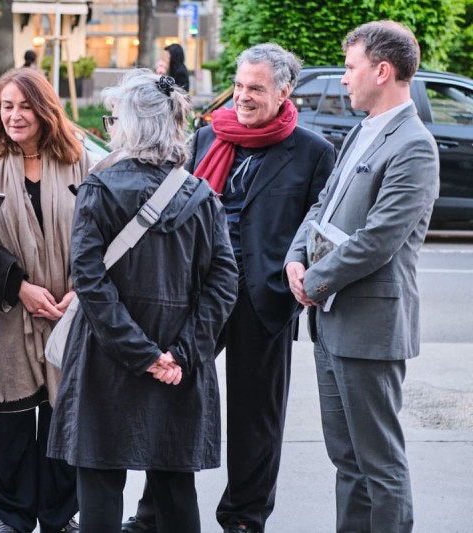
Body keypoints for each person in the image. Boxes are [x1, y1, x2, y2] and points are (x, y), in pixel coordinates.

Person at [123, 43, 335, 533]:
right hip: (196, 294)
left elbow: (318, 226)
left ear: (284, 92)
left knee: (255, 419)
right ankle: (156, 514)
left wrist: (300, 274)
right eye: (239, 86)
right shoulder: (206, 138)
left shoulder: (313, 152)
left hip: (263, 301)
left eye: (255, 88)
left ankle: (244, 518)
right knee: (173, 402)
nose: (242, 96)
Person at [46, 70, 238, 533]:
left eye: (112, 119)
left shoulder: (100, 188)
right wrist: (181, 354)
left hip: (106, 361)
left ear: (129, 125)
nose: (109, 128)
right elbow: (225, 280)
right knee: (174, 486)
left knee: (100, 484)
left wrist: (143, 354)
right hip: (179, 362)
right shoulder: (201, 195)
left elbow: (90, 281)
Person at [284, 21, 439, 533]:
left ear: (382, 69)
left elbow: (379, 240)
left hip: (370, 329)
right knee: (347, 461)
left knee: (380, 465)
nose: (344, 80)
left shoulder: (414, 145)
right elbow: (322, 205)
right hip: (330, 323)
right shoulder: (361, 130)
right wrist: (295, 258)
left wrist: (315, 280)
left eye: (350, 68)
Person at [0, 67, 88, 533]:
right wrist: (20, 287)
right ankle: (13, 517)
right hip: (7, 313)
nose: (15, 115)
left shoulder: (78, 161)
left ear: (45, 109)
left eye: (25, 105)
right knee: (7, 426)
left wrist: (81, 288)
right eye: (7, 106)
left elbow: (97, 231)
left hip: (69, 310)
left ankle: (59, 516)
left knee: (64, 417)